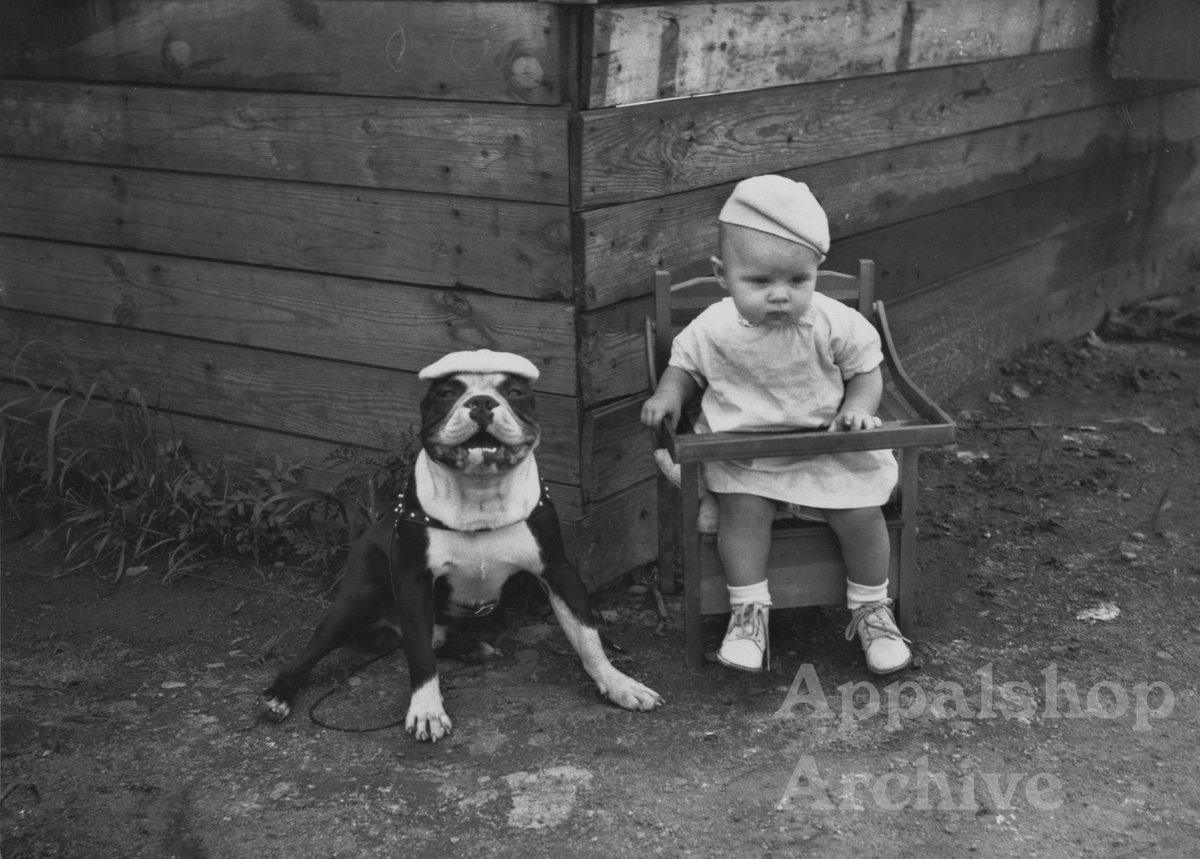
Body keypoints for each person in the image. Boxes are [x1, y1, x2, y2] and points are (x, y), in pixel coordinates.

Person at [641, 174, 911, 675]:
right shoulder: (713, 327)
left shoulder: (833, 321)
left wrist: (857, 405)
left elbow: (867, 370)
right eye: (760, 282)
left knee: (861, 513)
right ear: (723, 275)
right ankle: (748, 611)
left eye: (797, 281)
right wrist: (668, 393)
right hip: (746, 453)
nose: (780, 296)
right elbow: (685, 367)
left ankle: (873, 608)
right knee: (742, 513)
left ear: (816, 272)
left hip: (827, 448)